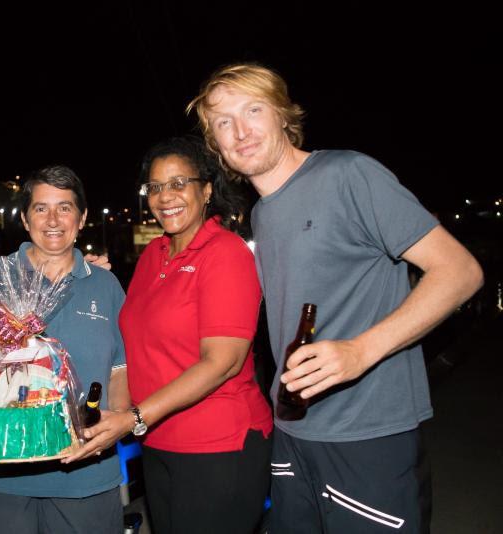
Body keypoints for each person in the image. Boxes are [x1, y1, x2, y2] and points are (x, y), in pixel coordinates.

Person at [189, 63, 484, 533]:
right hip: (292, 428)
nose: (240, 131)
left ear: (283, 116)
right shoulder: (262, 215)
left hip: (366, 432)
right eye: (223, 122)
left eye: (253, 110)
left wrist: (360, 351)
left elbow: (460, 272)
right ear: (216, 145)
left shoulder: (349, 173)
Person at [69, 136, 273, 534]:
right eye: (156, 187)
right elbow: (133, 339)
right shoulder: (153, 256)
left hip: (218, 447)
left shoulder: (226, 253)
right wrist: (85, 282)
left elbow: (222, 363)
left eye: (179, 183)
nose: (166, 197)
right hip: (158, 443)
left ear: (207, 190)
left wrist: (134, 418)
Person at [0, 165, 129, 534]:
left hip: (84, 474)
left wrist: (116, 421)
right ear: (24, 218)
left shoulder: (106, 284)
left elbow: (119, 368)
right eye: (40, 208)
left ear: (82, 219)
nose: (53, 219)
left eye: (65, 208)